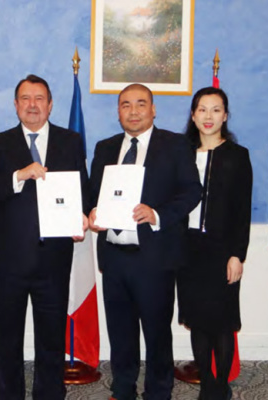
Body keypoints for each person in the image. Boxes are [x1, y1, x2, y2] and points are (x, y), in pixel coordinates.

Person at [0, 74, 89, 399]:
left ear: (50, 105)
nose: (32, 105)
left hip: (54, 260)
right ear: (15, 105)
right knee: (7, 339)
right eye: (25, 98)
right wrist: (18, 176)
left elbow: (83, 187)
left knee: (51, 339)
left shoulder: (70, 141)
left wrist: (84, 211)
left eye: (39, 98)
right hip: (10, 262)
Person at [89, 83, 201, 400]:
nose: (134, 111)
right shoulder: (105, 147)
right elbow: (91, 192)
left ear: (153, 109)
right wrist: (92, 211)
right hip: (113, 256)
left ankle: (159, 392)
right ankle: (123, 389)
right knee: (121, 333)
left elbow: (192, 191)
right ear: (118, 111)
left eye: (141, 104)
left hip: (155, 257)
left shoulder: (176, 145)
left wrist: (157, 213)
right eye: (126, 104)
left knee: (156, 333)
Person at [176, 87, 252, 400]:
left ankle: (221, 388)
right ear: (193, 116)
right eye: (202, 110)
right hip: (188, 249)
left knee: (221, 322)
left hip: (222, 251)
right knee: (197, 320)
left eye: (216, 109)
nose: (209, 116)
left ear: (225, 115)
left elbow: (242, 210)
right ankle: (207, 384)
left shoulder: (237, 156)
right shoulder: (180, 153)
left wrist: (238, 255)